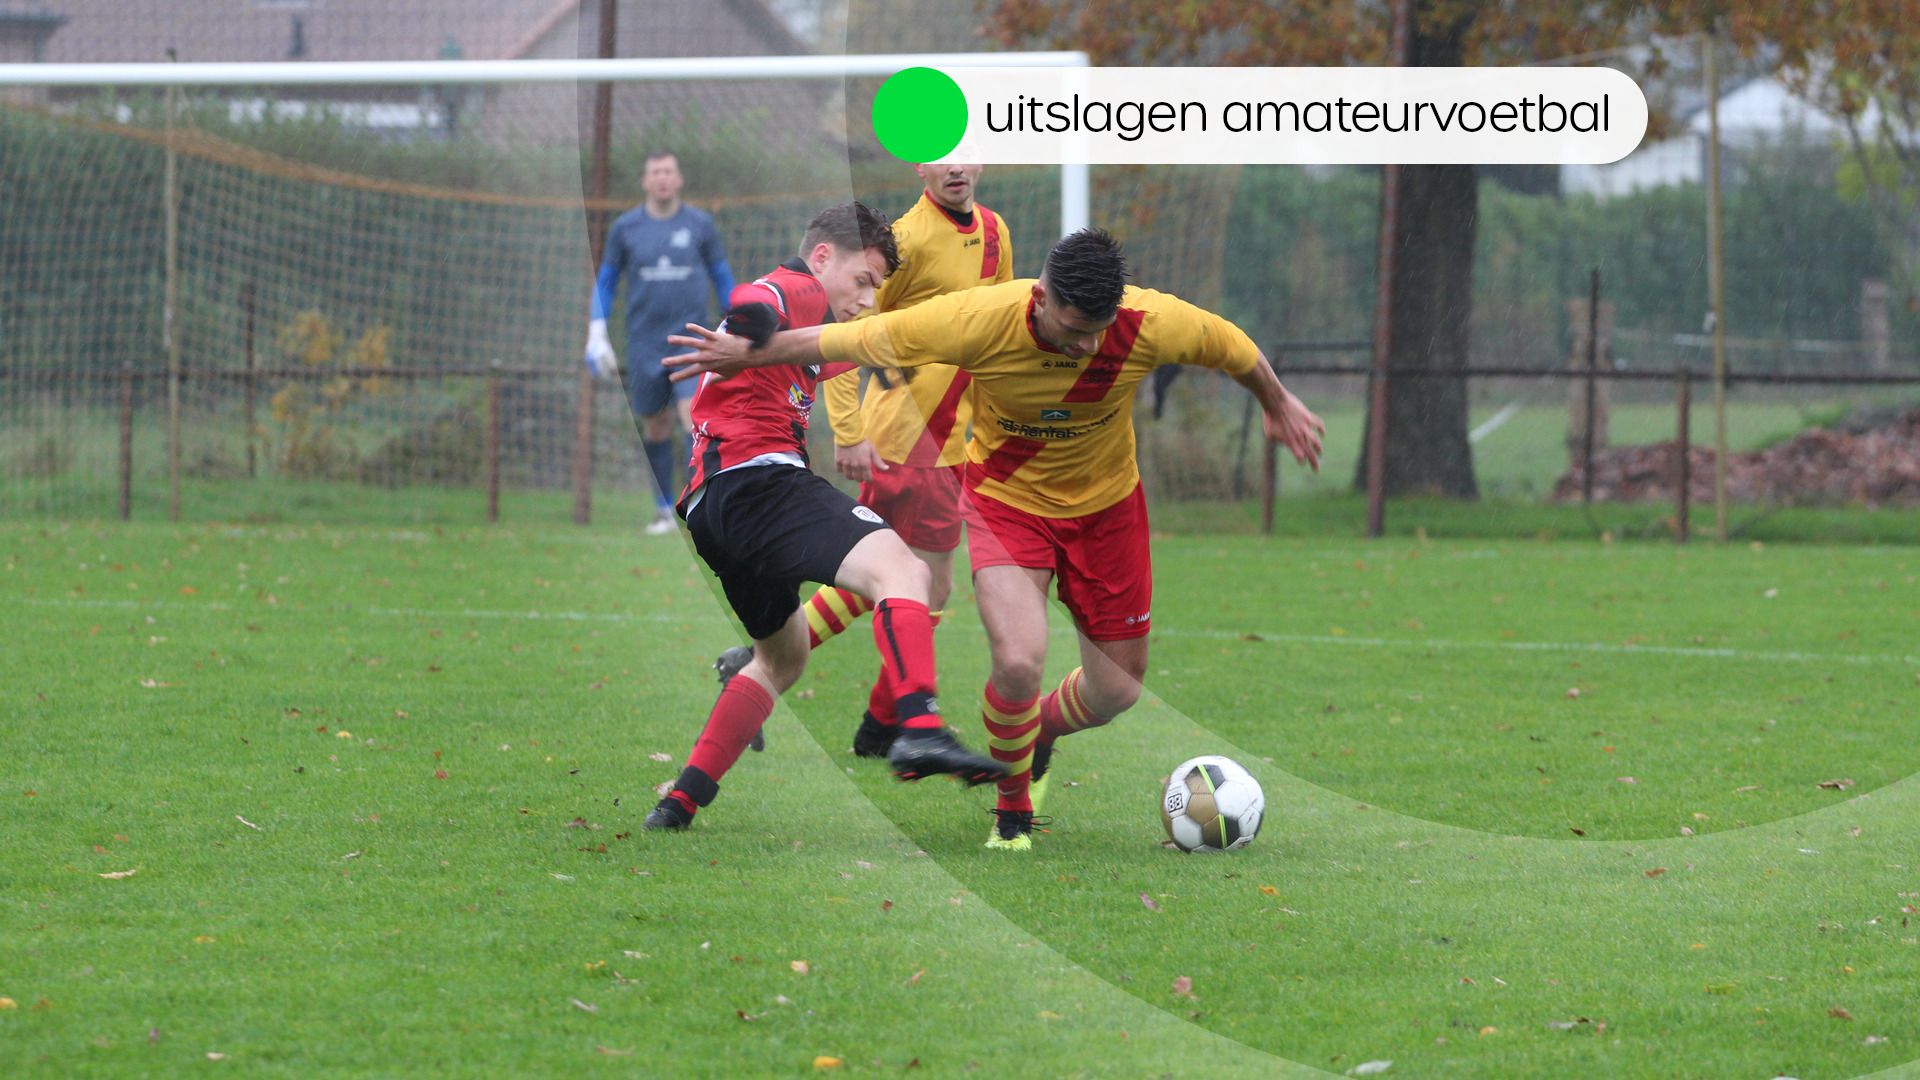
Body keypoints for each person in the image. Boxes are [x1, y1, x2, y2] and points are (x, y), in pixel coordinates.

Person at [664, 228, 1325, 850]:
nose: (1086, 348)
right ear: (1041, 300)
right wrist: (749, 351)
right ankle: (1012, 811)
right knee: (1015, 661)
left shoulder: (1148, 323)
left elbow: (1234, 348)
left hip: (1108, 512)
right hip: (1007, 503)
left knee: (1115, 693)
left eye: (1096, 334)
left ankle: (1035, 734)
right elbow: (858, 339)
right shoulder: (980, 318)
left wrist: (1277, 402)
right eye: (1071, 331)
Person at [643, 202, 1005, 832]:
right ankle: (917, 725)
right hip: (757, 482)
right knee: (904, 569)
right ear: (822, 258)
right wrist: (748, 325)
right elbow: (760, 301)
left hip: (709, 508)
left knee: (782, 658)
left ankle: (680, 803)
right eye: (862, 281)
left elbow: (872, 346)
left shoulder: (818, 331)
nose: (866, 299)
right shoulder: (798, 287)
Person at [712, 160, 1014, 759]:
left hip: (951, 432)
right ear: (921, 164)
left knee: (898, 574)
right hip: (907, 430)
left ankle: (873, 719)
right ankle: (892, 724)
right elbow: (848, 328)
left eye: (966, 149)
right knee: (912, 577)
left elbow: (989, 330)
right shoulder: (905, 240)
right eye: (940, 152)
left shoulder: (996, 233)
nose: (956, 164)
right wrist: (849, 430)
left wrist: (994, 419)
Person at [583, 151, 734, 535]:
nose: (662, 178)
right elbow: (606, 281)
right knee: (655, 427)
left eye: (668, 171)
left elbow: (722, 277)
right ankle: (664, 509)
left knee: (692, 418)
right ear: (645, 181)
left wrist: (736, 321)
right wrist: (596, 332)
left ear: (679, 179)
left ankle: (697, 506)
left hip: (691, 339)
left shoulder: (700, 225)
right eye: (655, 172)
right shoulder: (626, 228)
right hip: (645, 343)